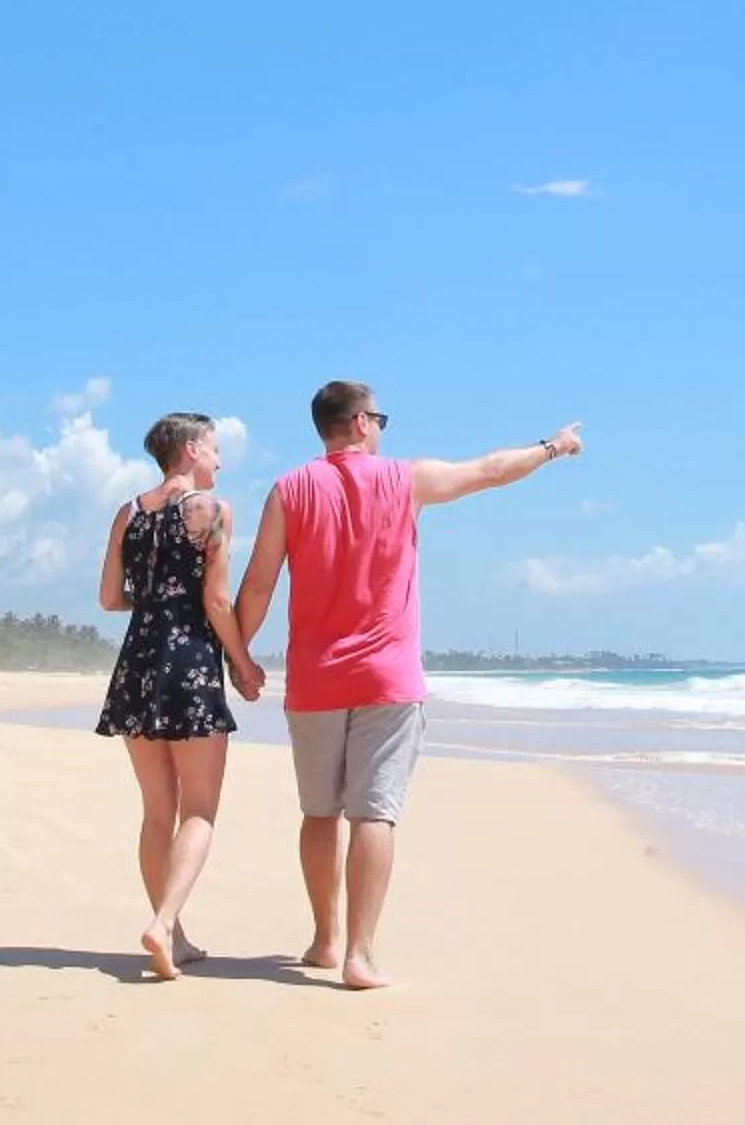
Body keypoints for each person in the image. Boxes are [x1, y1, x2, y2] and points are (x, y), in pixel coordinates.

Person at [232, 380, 583, 989]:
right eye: (381, 418)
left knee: (320, 814)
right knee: (375, 815)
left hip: (315, 679)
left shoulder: (289, 489)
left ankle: (323, 939)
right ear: (363, 422)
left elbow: (258, 584)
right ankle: (359, 955)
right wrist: (553, 447)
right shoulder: (406, 478)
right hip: (388, 680)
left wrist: (238, 658)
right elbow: (491, 471)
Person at [95, 411, 265, 980]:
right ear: (191, 450)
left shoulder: (128, 513)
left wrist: (152, 601)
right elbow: (217, 603)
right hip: (189, 660)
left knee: (155, 812)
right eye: (215, 449)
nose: (220, 460)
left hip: (137, 663)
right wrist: (242, 666)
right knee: (199, 809)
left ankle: (175, 932)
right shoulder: (212, 512)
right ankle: (166, 924)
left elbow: (109, 599)